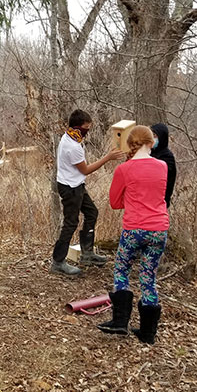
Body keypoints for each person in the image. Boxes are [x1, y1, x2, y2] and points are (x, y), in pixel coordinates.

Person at [97, 126, 168, 345]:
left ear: (130, 143)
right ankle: (147, 333)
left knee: (121, 269)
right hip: (159, 229)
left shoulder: (124, 170)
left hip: (134, 228)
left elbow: (115, 202)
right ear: (150, 142)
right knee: (148, 277)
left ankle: (120, 322)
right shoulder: (163, 166)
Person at [51, 109, 124, 276]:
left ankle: (87, 253)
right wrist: (108, 157)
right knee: (70, 223)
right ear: (77, 127)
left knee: (92, 212)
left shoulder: (70, 136)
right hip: (70, 187)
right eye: (86, 128)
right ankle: (58, 262)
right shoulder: (72, 146)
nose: (87, 131)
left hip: (76, 184)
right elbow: (85, 170)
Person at [150, 123, 176, 208]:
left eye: (155, 136)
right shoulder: (149, 152)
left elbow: (166, 177)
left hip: (161, 201)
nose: (152, 139)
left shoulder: (167, 156)